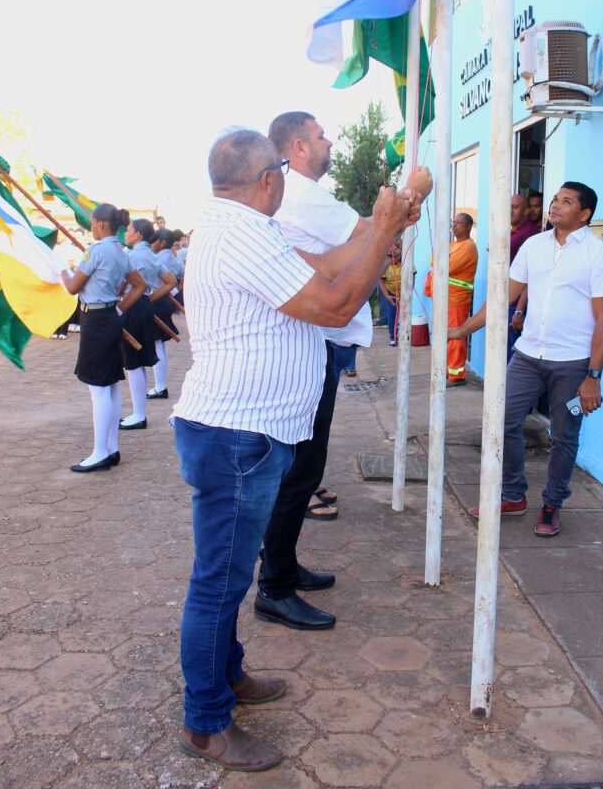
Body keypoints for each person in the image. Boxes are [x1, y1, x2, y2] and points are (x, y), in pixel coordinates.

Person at [173, 128, 417, 771]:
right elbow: (336, 306)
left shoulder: (242, 226)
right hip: (237, 435)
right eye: (282, 168)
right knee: (219, 583)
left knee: (227, 575)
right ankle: (205, 724)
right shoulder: (241, 233)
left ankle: (227, 676)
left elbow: (328, 266)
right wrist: (382, 230)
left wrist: (385, 226)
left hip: (247, 432)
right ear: (268, 178)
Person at [256, 110, 431, 633]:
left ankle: (281, 566)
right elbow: (376, 230)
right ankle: (274, 587)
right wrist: (413, 190)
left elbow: (369, 235)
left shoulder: (296, 194)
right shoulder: (303, 194)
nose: (329, 141)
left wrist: (398, 210)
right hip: (315, 342)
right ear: (297, 147)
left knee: (300, 467)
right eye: (320, 135)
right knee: (300, 469)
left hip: (313, 342)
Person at [448, 182, 603, 537]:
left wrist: (593, 376)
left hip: (574, 366)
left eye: (566, 202)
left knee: (565, 436)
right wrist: (464, 329)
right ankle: (513, 494)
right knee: (500, 419)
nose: (555, 205)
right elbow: (503, 297)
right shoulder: (533, 246)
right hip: (528, 357)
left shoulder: (600, 256)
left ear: (585, 214)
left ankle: (553, 503)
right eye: (555, 199)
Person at [60, 204, 146, 472]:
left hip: (96, 320)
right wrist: (119, 309)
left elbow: (73, 287)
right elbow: (140, 285)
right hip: (109, 316)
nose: (91, 227)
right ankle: (110, 448)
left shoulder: (96, 251)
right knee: (109, 384)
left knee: (98, 387)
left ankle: (100, 452)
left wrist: (61, 271)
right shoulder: (120, 251)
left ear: (100, 223)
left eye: (91, 223)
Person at [119, 219, 177, 430]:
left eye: (128, 231)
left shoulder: (130, 256)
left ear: (138, 235)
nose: (126, 234)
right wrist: (150, 298)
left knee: (133, 363)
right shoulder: (152, 256)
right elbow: (171, 281)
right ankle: (138, 412)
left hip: (131, 307)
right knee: (139, 361)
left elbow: (121, 286)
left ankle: (139, 415)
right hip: (144, 305)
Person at [424, 213, 478, 386]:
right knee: (445, 336)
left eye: (459, 223)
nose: (454, 225)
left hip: (456, 299)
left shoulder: (468, 246)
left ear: (468, 226)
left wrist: (440, 260)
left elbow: (446, 266)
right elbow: (433, 259)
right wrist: (439, 260)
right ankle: (448, 371)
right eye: (453, 222)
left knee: (455, 337)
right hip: (445, 298)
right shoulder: (453, 244)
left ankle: (457, 375)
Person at [148, 228, 185, 400]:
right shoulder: (174, 258)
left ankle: (160, 386)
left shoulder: (156, 258)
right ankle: (160, 385)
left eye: (154, 240)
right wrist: (175, 291)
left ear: (162, 242)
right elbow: (182, 276)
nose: (152, 243)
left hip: (156, 298)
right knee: (159, 344)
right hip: (166, 300)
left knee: (157, 344)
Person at [508, 194, 540, 360]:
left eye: (515, 207)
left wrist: (519, 311)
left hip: (517, 304)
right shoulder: (513, 231)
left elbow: (530, 275)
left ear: (527, 211)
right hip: (508, 301)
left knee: (513, 356)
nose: (510, 211)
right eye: (508, 207)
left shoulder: (530, 234)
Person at [380, 237, 403, 346]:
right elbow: (380, 279)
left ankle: (404, 336)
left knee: (403, 315)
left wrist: (406, 295)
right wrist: (387, 296)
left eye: (396, 256)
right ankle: (393, 338)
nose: (394, 259)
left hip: (403, 294)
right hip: (391, 294)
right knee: (391, 315)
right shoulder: (386, 265)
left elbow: (412, 277)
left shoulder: (406, 262)